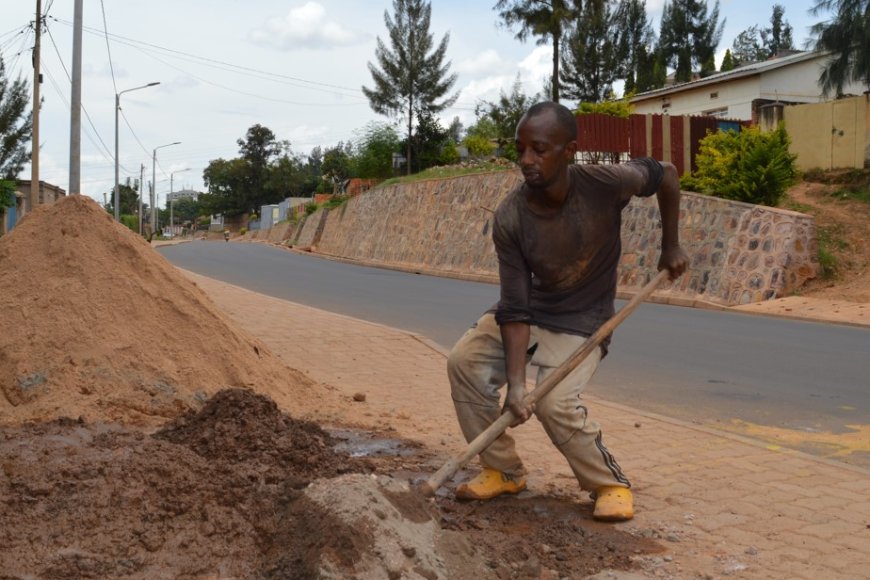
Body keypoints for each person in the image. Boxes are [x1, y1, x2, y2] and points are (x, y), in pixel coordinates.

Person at [447, 102, 688, 522]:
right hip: (533, 310)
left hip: (584, 320)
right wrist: (516, 385)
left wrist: (671, 245)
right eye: (521, 149)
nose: (527, 160)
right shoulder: (511, 217)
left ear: (569, 151)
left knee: (555, 402)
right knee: (464, 362)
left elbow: (666, 174)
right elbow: (515, 306)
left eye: (539, 150)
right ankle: (503, 470)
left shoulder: (605, 182)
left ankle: (608, 484)